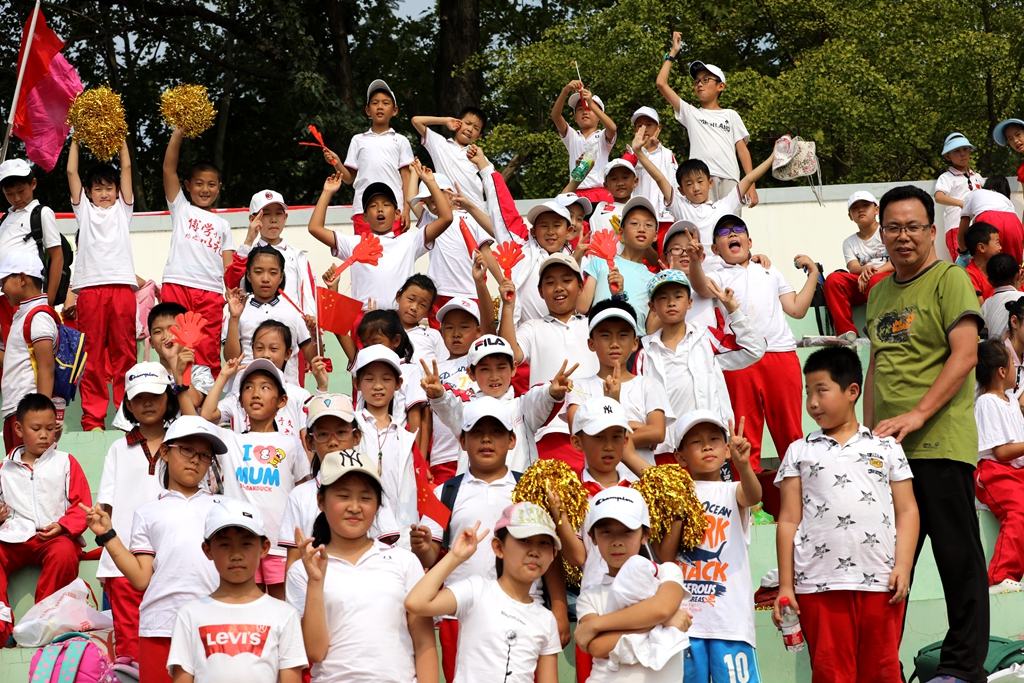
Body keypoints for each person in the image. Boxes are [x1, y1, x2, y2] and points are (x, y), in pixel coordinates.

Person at [865, 184, 988, 683]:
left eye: (913, 226)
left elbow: (966, 354)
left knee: (958, 559)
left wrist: (917, 415)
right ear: (881, 233)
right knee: (886, 567)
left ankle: (961, 668)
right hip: (887, 454)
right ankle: (880, 667)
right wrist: (865, 438)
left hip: (940, 444)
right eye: (893, 227)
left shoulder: (949, 279)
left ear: (932, 231)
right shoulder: (878, 291)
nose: (904, 236)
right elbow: (876, 367)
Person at [775, 347, 918, 681]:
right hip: (818, 584)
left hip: (881, 580)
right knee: (830, 673)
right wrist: (785, 585)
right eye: (807, 392)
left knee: (882, 671)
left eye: (821, 390)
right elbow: (788, 519)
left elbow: (908, 510)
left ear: (852, 391)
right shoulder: (799, 451)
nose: (812, 402)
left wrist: (903, 565)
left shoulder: (886, 447)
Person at [408, 398, 569, 681]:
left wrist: (558, 607)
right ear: (462, 441)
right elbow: (432, 556)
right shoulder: (445, 492)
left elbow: (546, 551)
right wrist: (422, 548)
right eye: (476, 432)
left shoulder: (530, 489)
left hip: (527, 608)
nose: (486, 440)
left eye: (496, 432)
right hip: (460, 611)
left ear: (511, 440)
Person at [81, 416, 230, 683]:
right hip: (159, 626)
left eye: (204, 455)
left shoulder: (223, 507)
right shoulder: (147, 512)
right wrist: (107, 535)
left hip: (214, 624)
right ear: (165, 451)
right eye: (187, 450)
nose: (195, 460)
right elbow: (141, 578)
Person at [287, 449, 439, 683]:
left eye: (366, 498)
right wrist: (316, 582)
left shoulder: (404, 561)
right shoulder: (303, 571)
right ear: (321, 501)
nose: (355, 507)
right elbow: (314, 652)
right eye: (343, 496)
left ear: (378, 505)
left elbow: (424, 642)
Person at [687, 215, 818, 475]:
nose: (731, 234)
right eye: (723, 233)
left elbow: (796, 309)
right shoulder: (716, 273)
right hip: (739, 359)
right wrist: (694, 260)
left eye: (738, 229)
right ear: (715, 249)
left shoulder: (768, 269)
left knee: (790, 433)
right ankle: (747, 499)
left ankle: (797, 493)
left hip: (780, 354)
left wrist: (813, 274)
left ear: (749, 241)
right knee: (745, 438)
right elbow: (701, 288)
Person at [404, 502, 562, 683]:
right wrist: (455, 557)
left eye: (544, 543)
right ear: (498, 547)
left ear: (553, 555)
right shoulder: (476, 590)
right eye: (524, 540)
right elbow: (416, 603)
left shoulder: (546, 620)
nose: (534, 551)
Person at [658, 411, 762, 683]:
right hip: (684, 623)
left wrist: (744, 466)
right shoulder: (675, 494)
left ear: (727, 450)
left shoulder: (733, 489)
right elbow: (665, 557)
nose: (706, 446)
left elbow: (753, 496)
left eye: (714, 439)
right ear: (680, 457)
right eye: (696, 441)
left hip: (730, 623)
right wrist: (677, 514)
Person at [167, 497, 307, 682]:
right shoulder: (189, 615)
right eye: (224, 544)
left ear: (264, 548)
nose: (236, 555)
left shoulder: (285, 614)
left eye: (246, 544)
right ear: (208, 550)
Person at [204, 359, 311, 599]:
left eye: (265, 387)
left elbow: (303, 492)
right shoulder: (231, 441)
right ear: (240, 401)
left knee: (281, 604)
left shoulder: (291, 443)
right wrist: (224, 376)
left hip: (280, 542)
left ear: (282, 400)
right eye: (248, 387)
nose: (255, 393)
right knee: (246, 603)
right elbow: (207, 415)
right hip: (242, 541)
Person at [636, 269, 765, 463]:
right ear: (652, 307)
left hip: (709, 447)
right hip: (665, 451)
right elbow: (637, 403)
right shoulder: (645, 352)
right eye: (663, 298)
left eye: (678, 296)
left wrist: (733, 310)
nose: (671, 302)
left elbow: (754, 349)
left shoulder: (706, 338)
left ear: (690, 303)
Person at [547, 396, 635, 682]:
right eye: (598, 437)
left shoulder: (639, 489)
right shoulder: (571, 491)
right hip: (594, 602)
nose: (608, 446)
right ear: (577, 442)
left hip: (637, 600)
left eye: (616, 436)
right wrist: (559, 515)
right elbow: (577, 557)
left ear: (626, 440)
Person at [98, 363, 179, 663]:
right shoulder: (118, 449)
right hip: (124, 561)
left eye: (155, 396)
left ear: (168, 398)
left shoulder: (181, 445)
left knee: (173, 644)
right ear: (129, 405)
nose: (147, 403)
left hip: (172, 556)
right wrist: (108, 550)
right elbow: (106, 506)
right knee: (130, 649)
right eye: (139, 398)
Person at [574, 486, 691, 683]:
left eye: (627, 531)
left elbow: (662, 609)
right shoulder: (588, 597)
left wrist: (595, 625)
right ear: (592, 537)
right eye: (606, 532)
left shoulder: (667, 573)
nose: (617, 541)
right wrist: (662, 622)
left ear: (645, 535)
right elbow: (598, 647)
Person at [0, 394, 91, 644]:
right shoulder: (4, 469)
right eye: (36, 428)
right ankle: (2, 627)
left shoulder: (65, 462)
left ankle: (40, 621)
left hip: (53, 537)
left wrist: (63, 526)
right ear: (19, 429)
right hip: (14, 538)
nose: (44, 435)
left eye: (50, 429)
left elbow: (82, 505)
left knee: (64, 553)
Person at [498, 252, 600, 469]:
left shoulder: (594, 325)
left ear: (580, 287)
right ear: (540, 292)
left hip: (596, 428)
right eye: (550, 283)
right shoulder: (533, 327)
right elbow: (511, 354)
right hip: (548, 432)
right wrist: (508, 307)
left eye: (566, 280)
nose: (559, 288)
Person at [66, 139, 138, 431]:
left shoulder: (123, 210)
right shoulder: (84, 211)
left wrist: (120, 140)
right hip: (90, 290)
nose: (105, 193)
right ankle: (93, 419)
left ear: (118, 190)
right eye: (98, 189)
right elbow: (71, 172)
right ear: (88, 192)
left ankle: (127, 415)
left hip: (122, 289)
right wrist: (76, 139)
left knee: (125, 354)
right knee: (91, 356)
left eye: (109, 188)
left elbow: (127, 167)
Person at [422, 336, 573, 473]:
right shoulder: (466, 410)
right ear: (471, 373)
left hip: (519, 493)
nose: (494, 376)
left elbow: (539, 398)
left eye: (501, 368)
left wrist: (551, 392)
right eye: (485, 369)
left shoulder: (522, 407)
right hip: (472, 492)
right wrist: (438, 395)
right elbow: (448, 407)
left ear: (514, 368)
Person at [308, 169, 452, 313]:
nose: (380, 209)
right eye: (373, 205)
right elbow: (315, 228)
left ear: (397, 214)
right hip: (365, 318)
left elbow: (446, 218)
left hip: (398, 318)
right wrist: (327, 192)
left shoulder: (410, 241)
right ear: (365, 217)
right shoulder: (354, 244)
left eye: (386, 204)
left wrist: (431, 183)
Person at [471, 147, 575, 325]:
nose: (550, 231)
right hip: (522, 336)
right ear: (533, 232)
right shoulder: (521, 248)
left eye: (557, 225)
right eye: (543, 226)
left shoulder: (578, 259)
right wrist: (484, 167)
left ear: (569, 231)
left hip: (566, 335)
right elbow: (503, 210)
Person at [161, 128, 235, 376]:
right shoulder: (181, 208)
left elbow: (229, 268)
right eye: (199, 184)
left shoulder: (224, 225)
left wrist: (231, 292)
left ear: (219, 187)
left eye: (211, 184)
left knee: (206, 350)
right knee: (173, 345)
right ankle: (173, 392)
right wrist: (179, 133)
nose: (205, 189)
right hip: (178, 284)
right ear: (188, 186)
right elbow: (168, 170)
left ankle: (205, 397)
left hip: (210, 293)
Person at [567, 301, 672, 467]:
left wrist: (600, 433)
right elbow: (580, 435)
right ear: (591, 344)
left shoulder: (649, 385)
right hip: (598, 481)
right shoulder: (579, 388)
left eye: (623, 335)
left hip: (641, 479)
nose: (614, 343)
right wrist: (634, 427)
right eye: (605, 335)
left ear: (635, 343)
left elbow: (658, 432)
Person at [657, 33, 756, 206]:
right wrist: (673, 52)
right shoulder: (691, 113)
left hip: (730, 180)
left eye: (706, 79)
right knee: (703, 222)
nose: (699, 84)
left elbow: (742, 150)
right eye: (696, 81)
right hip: (701, 181)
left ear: (720, 86)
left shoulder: (731, 115)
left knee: (728, 223)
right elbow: (661, 84)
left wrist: (751, 184)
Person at [404, 161, 500, 325]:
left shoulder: (471, 218)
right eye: (427, 203)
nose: (431, 206)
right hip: (439, 292)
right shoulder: (431, 221)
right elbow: (410, 199)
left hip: (470, 291)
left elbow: (486, 252)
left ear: (449, 194)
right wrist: (414, 173)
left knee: (470, 335)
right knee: (440, 336)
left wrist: (501, 281)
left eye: (433, 199)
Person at [323, 79, 413, 235]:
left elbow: (407, 178)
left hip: (393, 208)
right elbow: (349, 178)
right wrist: (337, 163)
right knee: (365, 250)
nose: (380, 107)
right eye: (375, 103)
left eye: (385, 103)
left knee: (394, 250)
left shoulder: (401, 140)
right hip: (363, 209)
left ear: (395, 110)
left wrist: (406, 209)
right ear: (367, 110)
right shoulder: (358, 140)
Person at [223, 245, 315, 388]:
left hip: (286, 390)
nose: (265, 279)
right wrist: (234, 319)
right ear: (248, 276)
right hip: (245, 390)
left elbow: (312, 357)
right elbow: (231, 358)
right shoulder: (238, 309)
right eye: (258, 272)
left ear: (281, 277)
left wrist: (315, 336)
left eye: (273, 273)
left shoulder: (293, 310)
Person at [973, 340, 1024, 594]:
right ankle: (999, 576)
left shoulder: (1011, 400)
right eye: (1013, 364)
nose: (1017, 367)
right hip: (995, 471)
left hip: (1016, 472)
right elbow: (1001, 452)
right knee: (1019, 510)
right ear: (1002, 372)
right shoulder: (986, 402)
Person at [225, 190, 317, 323]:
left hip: (292, 328)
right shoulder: (245, 254)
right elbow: (232, 283)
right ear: (252, 219)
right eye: (266, 214)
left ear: (285, 217)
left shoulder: (298, 257)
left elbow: (310, 296)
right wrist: (248, 241)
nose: (273, 220)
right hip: (254, 327)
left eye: (278, 214)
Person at [0, 251, 56, 453]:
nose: (2, 289)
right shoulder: (23, 315)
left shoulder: (38, 317)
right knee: (15, 467)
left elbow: (46, 368)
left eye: (4, 281)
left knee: (31, 468)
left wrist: (40, 417)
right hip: (15, 409)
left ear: (22, 279)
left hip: (28, 412)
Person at [579, 197, 661, 331]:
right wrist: (575, 261)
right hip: (600, 335)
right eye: (634, 223)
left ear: (655, 236)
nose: (641, 229)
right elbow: (582, 307)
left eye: (648, 225)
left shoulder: (655, 280)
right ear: (621, 232)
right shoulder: (599, 262)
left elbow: (650, 330)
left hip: (637, 340)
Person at [823, 191, 893, 337]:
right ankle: (847, 332)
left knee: (875, 280)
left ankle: (880, 328)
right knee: (833, 280)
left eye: (866, 206)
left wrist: (873, 273)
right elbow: (853, 267)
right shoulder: (849, 242)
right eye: (855, 208)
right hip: (863, 281)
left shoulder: (888, 231)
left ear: (877, 210)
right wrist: (864, 269)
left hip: (888, 280)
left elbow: (897, 261)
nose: (861, 210)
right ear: (850, 216)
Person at [428, 298, 484, 483]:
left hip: (476, 453)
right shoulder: (434, 370)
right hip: (443, 457)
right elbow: (426, 418)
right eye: (450, 327)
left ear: (478, 332)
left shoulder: (483, 366)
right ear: (441, 332)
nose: (456, 334)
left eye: (464, 327)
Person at [0, 159, 64, 313]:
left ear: (33, 183)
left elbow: (57, 257)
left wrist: (49, 301)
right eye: (9, 194)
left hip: (27, 297)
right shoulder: (5, 218)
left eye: (21, 191)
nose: (16, 198)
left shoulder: (41, 213)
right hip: (5, 296)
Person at [551, 80, 618, 204]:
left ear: (599, 116)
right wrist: (565, 91)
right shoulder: (572, 136)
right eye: (580, 109)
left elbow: (612, 128)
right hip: (575, 192)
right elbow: (555, 116)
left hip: (600, 192)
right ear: (575, 118)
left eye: (590, 109)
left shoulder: (602, 136)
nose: (585, 112)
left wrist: (591, 103)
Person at [411, 107, 488, 210]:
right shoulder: (439, 144)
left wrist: (481, 188)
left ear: (478, 136)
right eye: (468, 123)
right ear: (459, 122)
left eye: (476, 128)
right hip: (450, 211)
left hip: (476, 210)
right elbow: (416, 120)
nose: (470, 129)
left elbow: (492, 178)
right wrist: (446, 121)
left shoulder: (477, 154)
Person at [934, 132, 983, 258]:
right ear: (948, 156)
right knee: (961, 263)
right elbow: (939, 197)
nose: (962, 154)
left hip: (977, 226)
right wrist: (962, 204)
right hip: (956, 226)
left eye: (965, 149)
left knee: (980, 262)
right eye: (957, 151)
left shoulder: (977, 177)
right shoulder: (946, 177)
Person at [624, 107, 677, 225]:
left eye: (649, 124)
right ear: (634, 130)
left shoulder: (667, 155)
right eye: (640, 125)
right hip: (636, 217)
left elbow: (674, 184)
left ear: (658, 128)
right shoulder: (630, 154)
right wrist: (643, 148)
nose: (645, 129)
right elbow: (626, 170)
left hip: (662, 218)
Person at [958, 175, 1024, 266]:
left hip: (988, 220)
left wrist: (963, 251)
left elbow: (962, 232)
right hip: (1013, 221)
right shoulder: (1006, 201)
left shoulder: (974, 194)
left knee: (987, 267)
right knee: (1013, 267)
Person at [394, 274, 446, 363]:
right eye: (411, 299)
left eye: (422, 305)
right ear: (398, 296)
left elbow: (445, 364)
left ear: (428, 311)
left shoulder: (434, 335)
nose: (414, 308)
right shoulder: (384, 328)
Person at [587, 159, 640, 236]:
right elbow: (567, 206)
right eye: (614, 179)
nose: (620, 183)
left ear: (635, 181)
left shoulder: (642, 211)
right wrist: (579, 177)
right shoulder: (596, 208)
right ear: (606, 185)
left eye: (625, 177)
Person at [981, 254, 1024, 340]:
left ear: (989, 281)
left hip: (995, 348)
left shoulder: (987, 304)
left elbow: (984, 329)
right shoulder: (1022, 298)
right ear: (1018, 276)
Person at [963, 222, 1002, 302]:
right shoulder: (969, 276)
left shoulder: (1001, 268)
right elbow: (982, 308)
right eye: (997, 242)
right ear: (981, 247)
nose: (1000, 247)